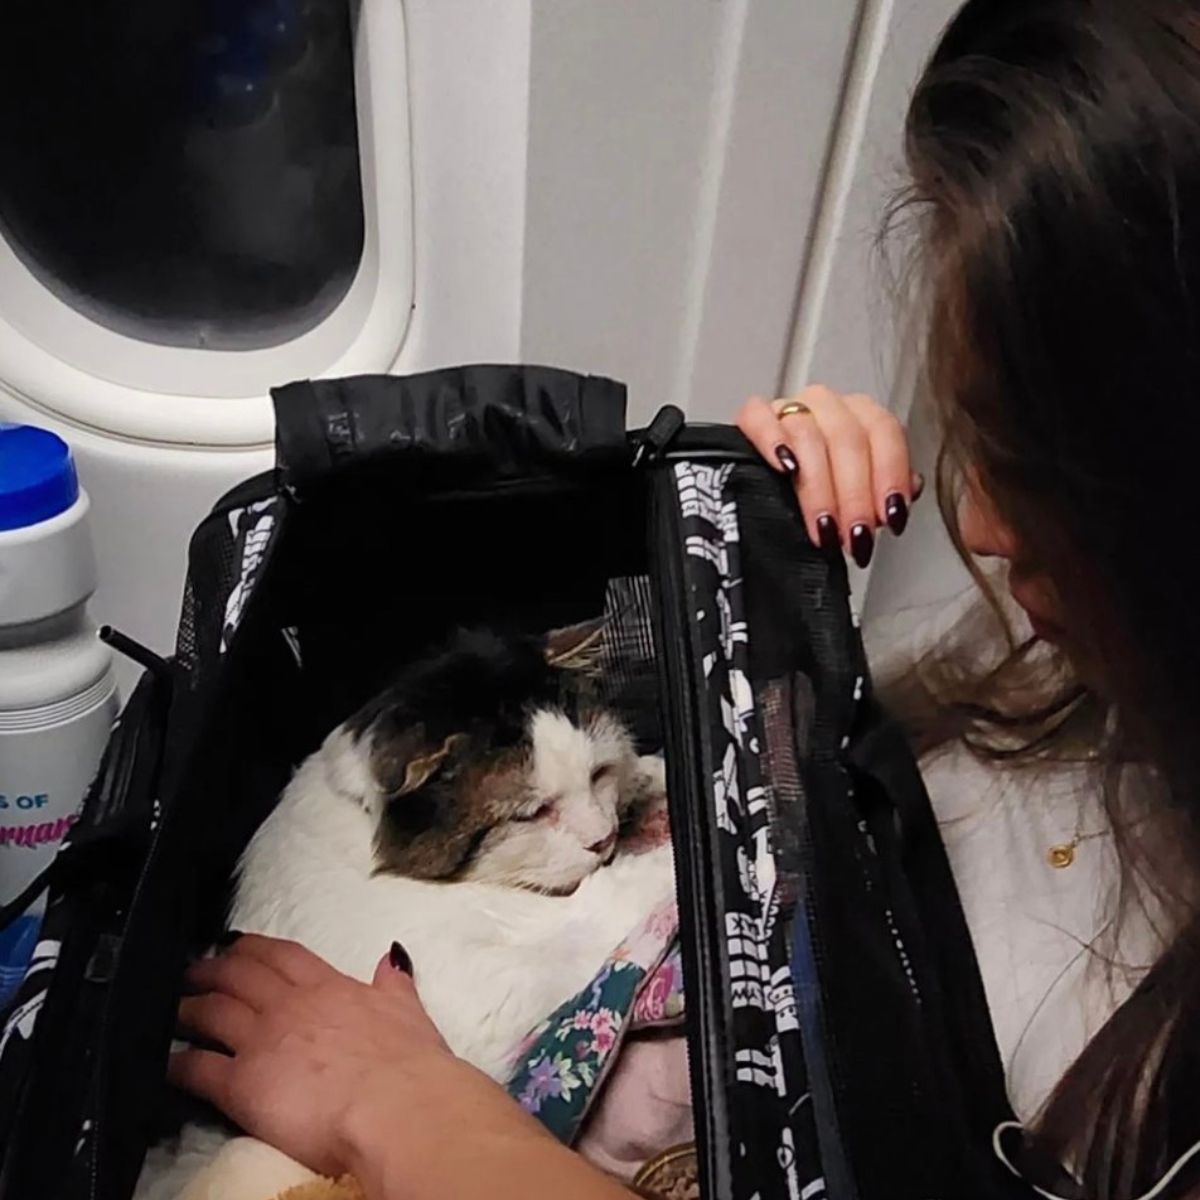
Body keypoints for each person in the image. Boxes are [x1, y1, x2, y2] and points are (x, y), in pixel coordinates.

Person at [173, 1, 1200, 1196]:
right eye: (987, 439)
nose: (975, 528)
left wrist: (396, 1107)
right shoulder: (1065, 684)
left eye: (1044, 472)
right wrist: (760, 545)